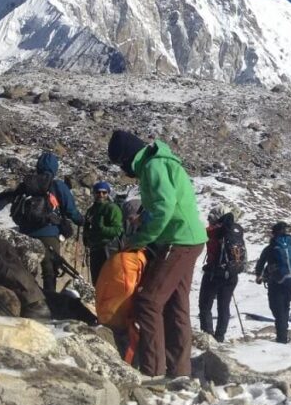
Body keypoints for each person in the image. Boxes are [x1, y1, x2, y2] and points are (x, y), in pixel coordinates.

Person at [107, 130, 207, 378]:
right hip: (190, 239)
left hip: (177, 240)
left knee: (149, 301)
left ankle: (153, 373)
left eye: (121, 164)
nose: (124, 171)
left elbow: (164, 206)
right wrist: (143, 218)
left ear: (128, 158)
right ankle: (179, 371)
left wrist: (139, 240)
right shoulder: (162, 162)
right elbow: (166, 204)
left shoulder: (153, 166)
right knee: (175, 305)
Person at [12, 152, 83, 294]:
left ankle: (27, 299)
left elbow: (15, 205)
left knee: (27, 267)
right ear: (54, 168)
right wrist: (80, 220)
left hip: (26, 232)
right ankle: (50, 301)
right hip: (49, 232)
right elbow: (70, 210)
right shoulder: (57, 185)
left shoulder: (27, 184)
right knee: (49, 270)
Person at [200, 207, 245, 342]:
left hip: (215, 273)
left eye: (210, 218)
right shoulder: (236, 230)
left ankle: (207, 335)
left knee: (205, 305)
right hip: (232, 274)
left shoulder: (213, 231)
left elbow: (201, 235)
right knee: (223, 306)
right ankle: (220, 337)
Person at [255, 221, 291, 343]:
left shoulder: (271, 247)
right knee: (285, 306)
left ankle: (282, 338)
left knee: (277, 308)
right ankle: (283, 334)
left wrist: (258, 277)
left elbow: (260, 263)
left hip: (277, 281)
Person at [83, 181, 124, 284]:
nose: (101, 195)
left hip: (109, 247)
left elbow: (118, 230)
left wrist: (102, 228)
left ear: (108, 193)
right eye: (98, 192)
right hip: (95, 248)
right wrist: (86, 236)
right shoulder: (91, 210)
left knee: (108, 279)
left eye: (104, 192)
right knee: (96, 280)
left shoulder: (112, 208)